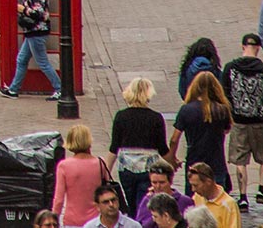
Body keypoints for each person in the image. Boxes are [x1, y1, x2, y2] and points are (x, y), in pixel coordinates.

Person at [221, 34, 263, 205]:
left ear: (242, 46)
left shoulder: (230, 67)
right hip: (260, 121)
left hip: (239, 121)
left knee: (240, 159)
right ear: (258, 48)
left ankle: (243, 197)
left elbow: (225, 94)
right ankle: (262, 189)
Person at [110, 79, 172, 216]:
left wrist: (105, 170)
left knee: (130, 203)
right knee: (144, 204)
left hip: (126, 167)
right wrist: (173, 162)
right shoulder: (155, 118)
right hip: (148, 167)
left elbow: (114, 147)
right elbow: (162, 148)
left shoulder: (121, 117)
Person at [1, 0, 63, 99]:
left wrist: (22, 9)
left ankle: (59, 89)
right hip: (33, 32)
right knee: (22, 60)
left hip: (37, 32)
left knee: (42, 62)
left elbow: (38, 13)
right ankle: (13, 90)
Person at [175, 73, 237, 195]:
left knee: (193, 203)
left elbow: (174, 138)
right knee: (217, 201)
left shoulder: (186, 109)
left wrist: (172, 157)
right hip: (217, 162)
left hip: (194, 161)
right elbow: (226, 129)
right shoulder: (222, 109)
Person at [51, 124, 114, 227]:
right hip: (96, 220)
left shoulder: (64, 166)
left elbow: (59, 199)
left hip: (72, 220)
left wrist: (53, 219)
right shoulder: (100, 163)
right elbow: (106, 190)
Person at [189, 162, 241, 228]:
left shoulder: (229, 205)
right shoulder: (197, 197)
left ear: (208, 182)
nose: (193, 189)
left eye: (196, 185)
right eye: (192, 185)